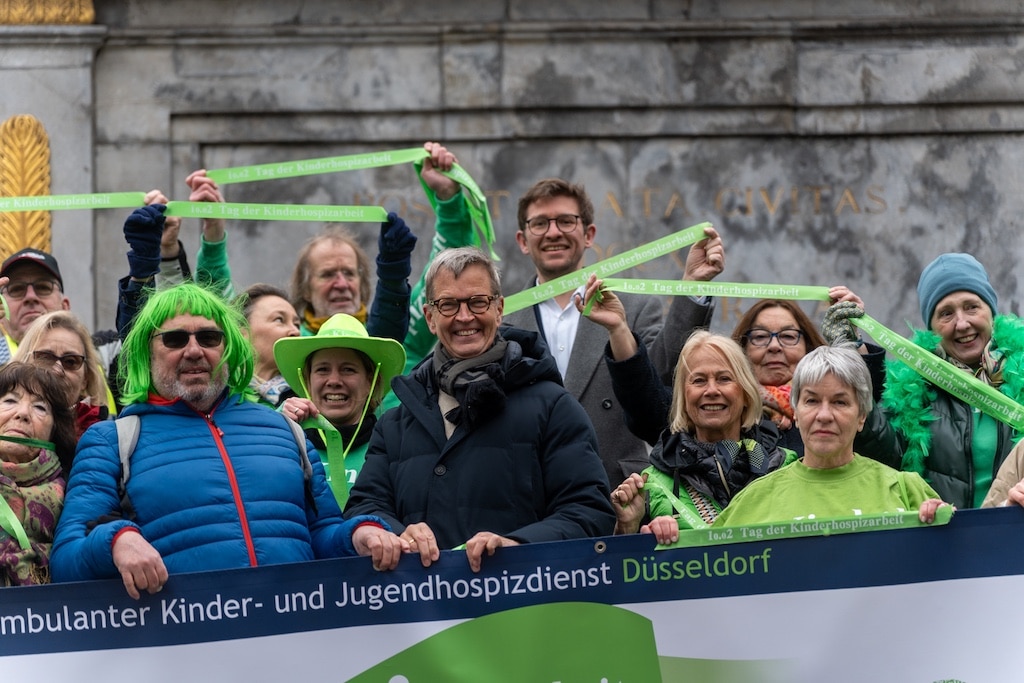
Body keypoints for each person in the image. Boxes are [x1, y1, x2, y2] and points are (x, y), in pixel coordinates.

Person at [50, 282, 405, 600]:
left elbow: (322, 533)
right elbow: (66, 561)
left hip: (295, 634)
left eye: (209, 338)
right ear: (147, 351)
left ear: (229, 348)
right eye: (175, 339)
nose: (194, 350)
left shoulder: (285, 430)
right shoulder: (112, 441)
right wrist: (115, 541)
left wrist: (358, 534)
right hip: (181, 643)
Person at [345, 247, 615, 573]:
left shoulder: (554, 407)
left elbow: (589, 512)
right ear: (430, 317)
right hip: (420, 603)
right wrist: (388, 533)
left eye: (478, 302)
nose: (464, 317)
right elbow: (364, 507)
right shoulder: (395, 423)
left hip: (522, 597)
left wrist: (517, 545)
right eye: (448, 304)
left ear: (499, 309)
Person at [502, 177, 723, 486]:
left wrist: (692, 286)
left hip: (619, 490)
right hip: (526, 488)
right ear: (523, 240)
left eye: (566, 221)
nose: (553, 232)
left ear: (589, 234)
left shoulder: (634, 307)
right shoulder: (501, 319)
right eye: (540, 223)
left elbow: (664, 377)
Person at [712, 346, 950, 529]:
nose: (824, 415)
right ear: (796, 413)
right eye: (812, 401)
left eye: (840, 402)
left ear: (862, 416)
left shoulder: (907, 491)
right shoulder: (753, 500)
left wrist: (942, 528)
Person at [856, 253, 1024, 509]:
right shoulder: (912, 389)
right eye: (946, 313)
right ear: (931, 328)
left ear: (991, 312)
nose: (962, 323)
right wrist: (853, 348)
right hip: (943, 529)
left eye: (972, 307)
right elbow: (879, 454)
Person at [610, 331, 788, 543]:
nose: (711, 390)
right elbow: (627, 562)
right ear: (683, 398)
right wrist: (627, 529)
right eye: (699, 380)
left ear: (746, 394)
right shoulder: (651, 484)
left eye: (724, 379)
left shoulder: (786, 466)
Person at [274, 313, 405, 500]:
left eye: (348, 369)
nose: (334, 381)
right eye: (322, 369)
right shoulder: (285, 441)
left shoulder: (396, 447)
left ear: (371, 381)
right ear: (307, 381)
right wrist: (278, 427)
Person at [0, 362, 78, 585]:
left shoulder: (74, 491)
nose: (23, 413)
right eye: (10, 401)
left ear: (54, 429)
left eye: (40, 408)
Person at [14, 311, 110, 435]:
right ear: (23, 365)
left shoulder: (104, 438)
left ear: (85, 379)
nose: (57, 370)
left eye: (70, 361)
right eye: (45, 358)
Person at [237, 283, 302, 408]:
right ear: (241, 333)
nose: (296, 331)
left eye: (297, 324)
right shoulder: (216, 395)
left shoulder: (310, 396)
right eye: (279, 319)